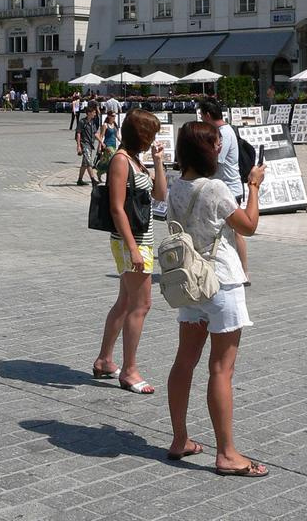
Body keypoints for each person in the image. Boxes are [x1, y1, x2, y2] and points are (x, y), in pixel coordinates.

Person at [165, 121, 267, 476]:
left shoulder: (176, 187)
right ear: (208, 151)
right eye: (217, 143)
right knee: (221, 369)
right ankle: (227, 453)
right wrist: (253, 187)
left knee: (184, 362)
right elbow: (248, 226)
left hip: (190, 282)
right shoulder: (216, 188)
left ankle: (180, 438)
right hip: (221, 281)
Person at [93, 109, 166, 394]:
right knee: (141, 305)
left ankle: (104, 360)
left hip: (140, 240)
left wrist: (158, 162)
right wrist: (134, 248)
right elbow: (116, 207)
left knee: (125, 302)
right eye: (152, 134)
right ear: (141, 134)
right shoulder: (121, 160)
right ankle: (130, 370)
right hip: (131, 241)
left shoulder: (137, 160)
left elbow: (160, 196)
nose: (154, 139)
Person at [199, 99, 250, 284]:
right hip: (223, 187)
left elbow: (216, 160)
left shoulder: (225, 133)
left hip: (230, 188)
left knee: (237, 232)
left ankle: (244, 272)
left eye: (202, 115)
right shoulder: (222, 131)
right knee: (224, 231)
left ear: (207, 115)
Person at [75, 100, 101, 186]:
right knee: (89, 161)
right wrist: (78, 146)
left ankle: (79, 180)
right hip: (84, 144)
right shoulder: (82, 122)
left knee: (85, 163)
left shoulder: (92, 123)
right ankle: (93, 179)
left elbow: (95, 133)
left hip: (90, 145)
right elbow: (78, 133)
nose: (95, 114)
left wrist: (101, 141)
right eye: (93, 112)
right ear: (89, 113)